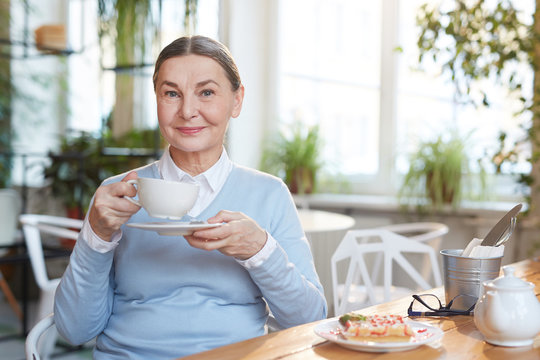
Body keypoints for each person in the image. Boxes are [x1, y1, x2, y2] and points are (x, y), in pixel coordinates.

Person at [54, 35, 327, 359]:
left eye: (207, 92)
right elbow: (74, 330)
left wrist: (259, 249)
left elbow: (310, 320)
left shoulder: (268, 193)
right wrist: (96, 236)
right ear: (157, 99)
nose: (187, 111)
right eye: (171, 93)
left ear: (237, 100)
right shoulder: (117, 196)